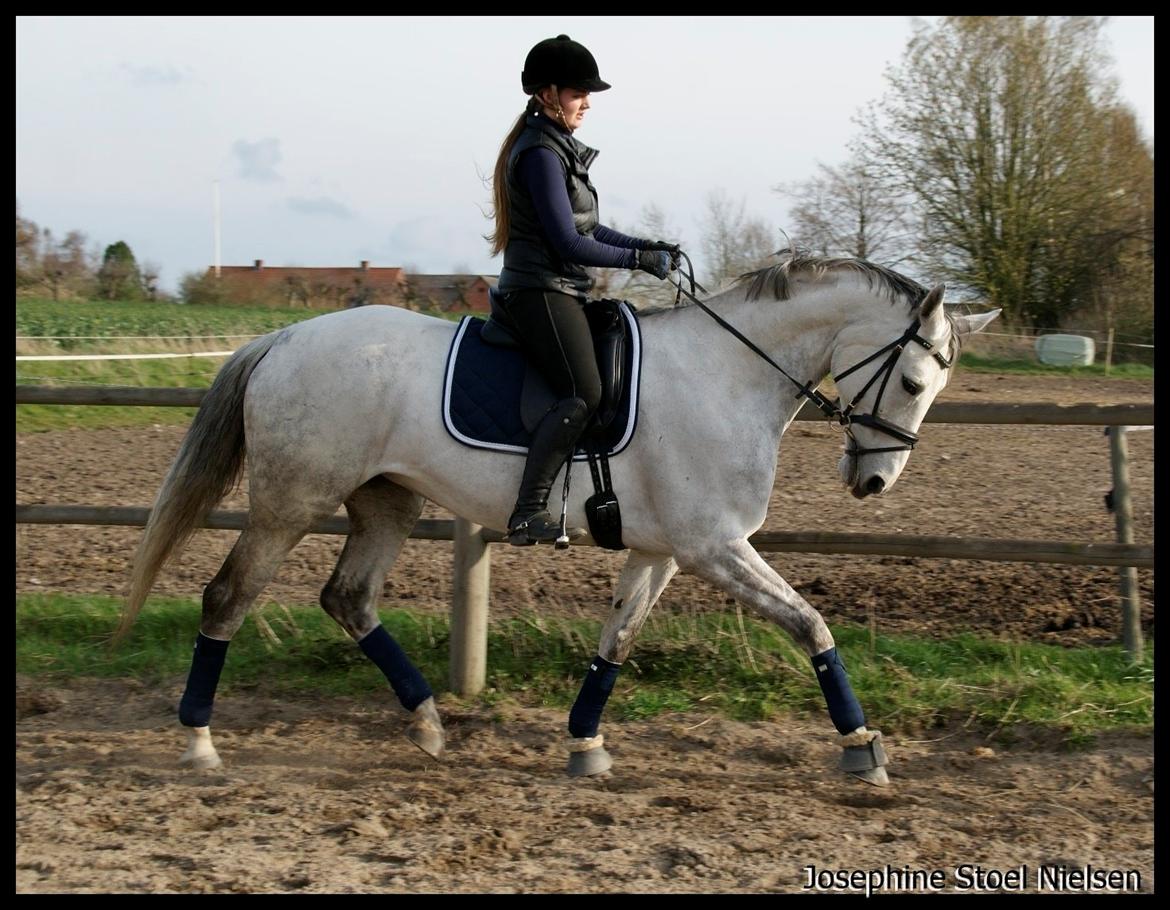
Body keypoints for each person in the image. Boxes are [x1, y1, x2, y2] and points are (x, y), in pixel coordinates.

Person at [487, 34, 679, 546]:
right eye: (579, 92)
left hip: (559, 287)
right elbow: (568, 242)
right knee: (583, 391)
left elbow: (591, 229)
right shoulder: (540, 155)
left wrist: (646, 244)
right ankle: (527, 512)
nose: (587, 102)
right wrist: (637, 260)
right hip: (539, 289)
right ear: (548, 94)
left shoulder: (557, 150)